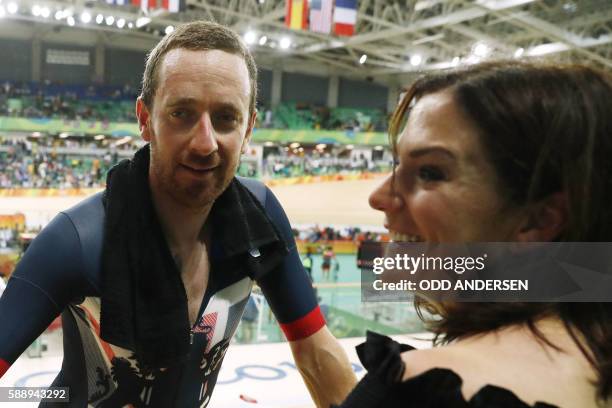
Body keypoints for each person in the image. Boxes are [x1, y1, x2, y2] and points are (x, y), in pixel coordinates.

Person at [0, 21, 356, 407]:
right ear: (144, 119)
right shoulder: (75, 241)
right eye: (181, 113)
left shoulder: (261, 217)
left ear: (250, 128)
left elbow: (318, 355)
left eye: (225, 118)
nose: (205, 143)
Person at [337, 61, 612, 407]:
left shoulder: (425, 388)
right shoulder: (592, 357)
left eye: (430, 172)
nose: (379, 198)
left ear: (538, 221)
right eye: (397, 165)